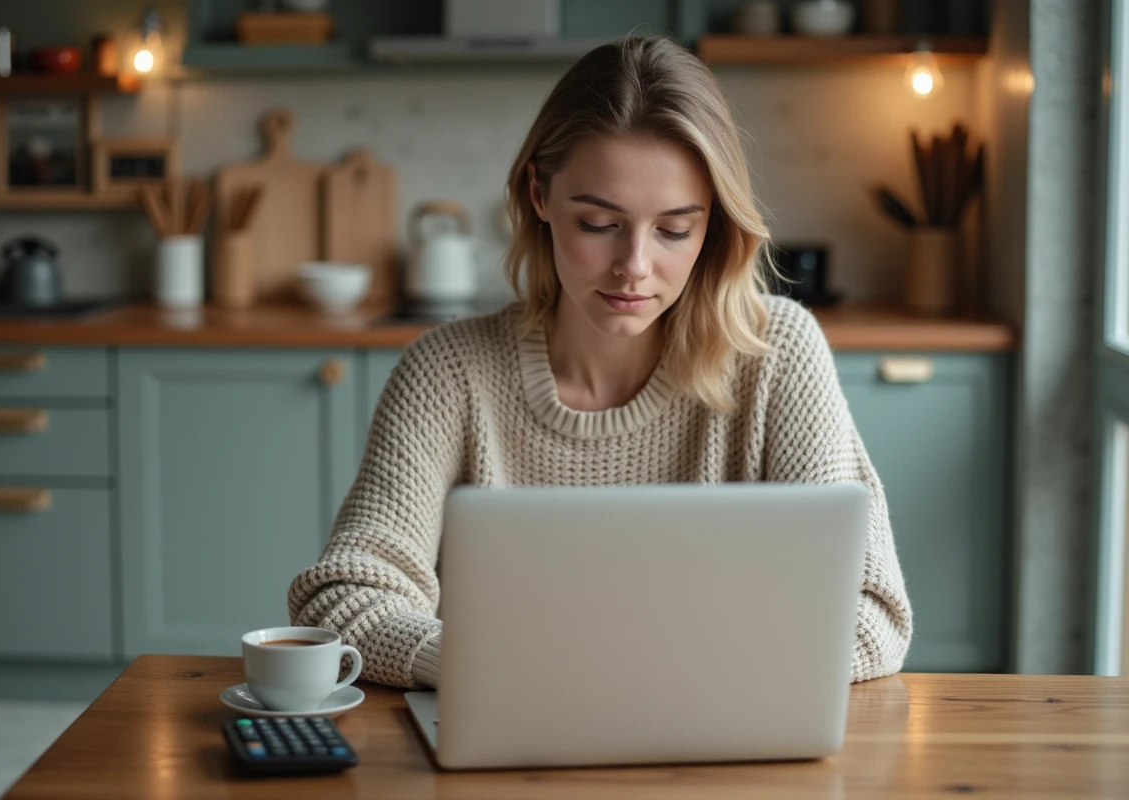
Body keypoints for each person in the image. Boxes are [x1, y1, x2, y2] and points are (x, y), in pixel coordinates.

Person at [288, 35, 912, 688]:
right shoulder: (447, 373)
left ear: (715, 224)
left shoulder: (779, 356)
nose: (635, 268)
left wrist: (662, 673)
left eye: (675, 230)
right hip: (509, 734)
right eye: (598, 223)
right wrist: (478, 664)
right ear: (539, 194)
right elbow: (343, 597)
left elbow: (870, 615)